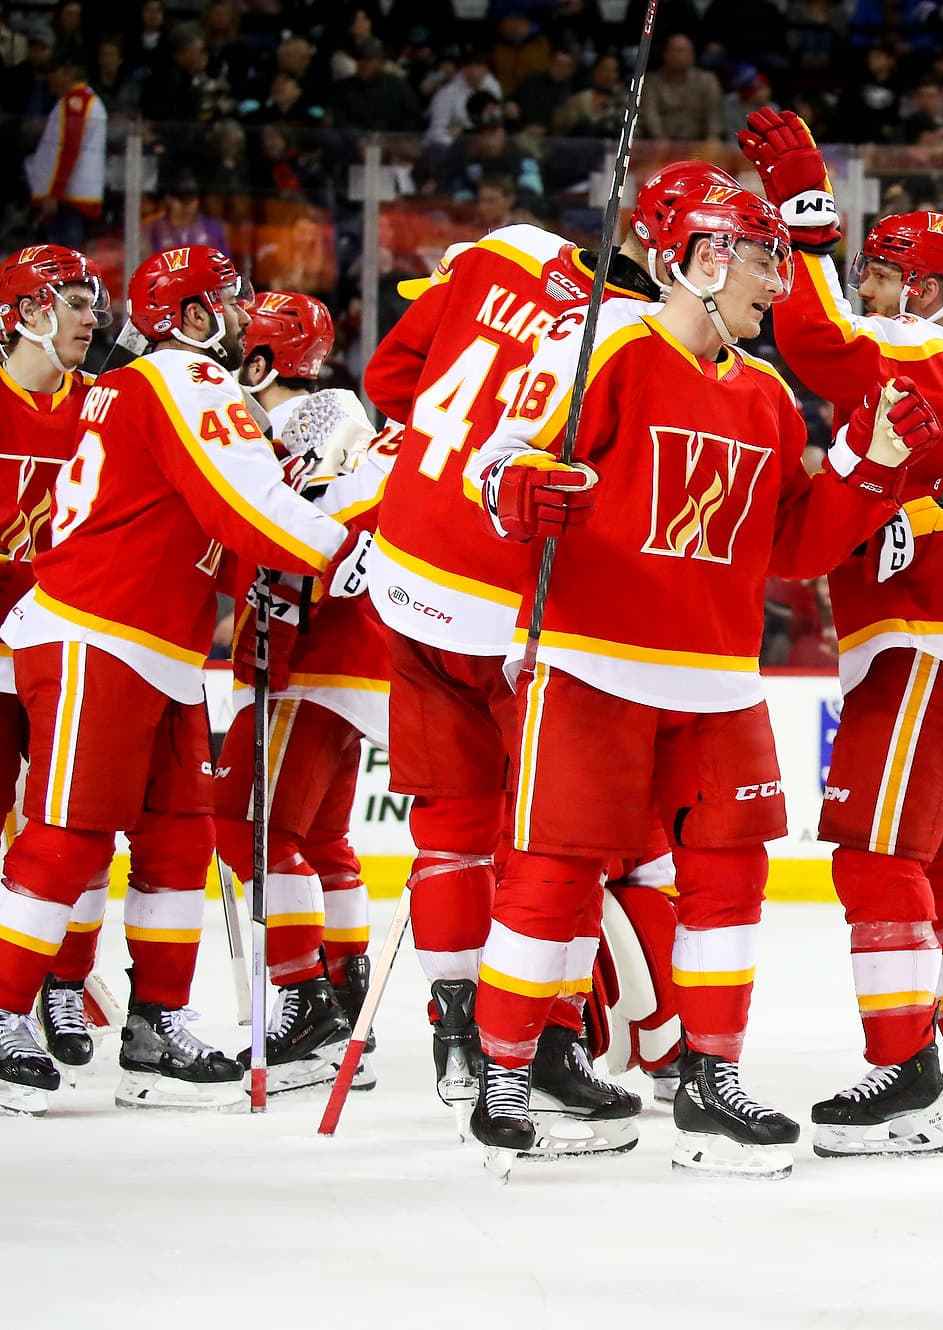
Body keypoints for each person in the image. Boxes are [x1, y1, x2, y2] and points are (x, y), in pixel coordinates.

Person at [459, 176, 920, 1176]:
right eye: (763, 258)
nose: (778, 281)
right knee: (552, 872)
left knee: (730, 877)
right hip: (591, 663)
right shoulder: (598, 348)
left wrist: (869, 469)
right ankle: (506, 1072)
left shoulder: (767, 395)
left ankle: (711, 1077)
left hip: (718, 678)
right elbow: (490, 465)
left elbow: (793, 546)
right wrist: (519, 488)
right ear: (705, 258)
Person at [736, 109, 943, 1156]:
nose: (865, 287)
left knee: (872, 858)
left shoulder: (920, 359)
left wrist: (802, 208)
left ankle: (903, 1073)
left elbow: (813, 338)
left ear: (935, 291)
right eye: (864, 270)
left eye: (886, 273)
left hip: (924, 642)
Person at [0, 246, 347, 1116]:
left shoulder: (163, 384)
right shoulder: (184, 378)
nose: (243, 313)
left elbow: (221, 505)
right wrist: (352, 553)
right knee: (68, 835)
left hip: (160, 646)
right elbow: (247, 507)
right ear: (192, 317)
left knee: (179, 841)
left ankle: (155, 1026)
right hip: (97, 631)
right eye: (230, 300)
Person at [360, 194, 674, 1113]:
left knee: (449, 829)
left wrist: (450, 462)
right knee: (554, 837)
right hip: (514, 610)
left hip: (408, 576)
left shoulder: (504, 251)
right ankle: (548, 1043)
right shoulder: (640, 338)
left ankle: (456, 1036)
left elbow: (391, 377)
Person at [211, 291, 392, 1095]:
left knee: (249, 826)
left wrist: (266, 654)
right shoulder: (337, 422)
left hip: (314, 661)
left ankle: (304, 998)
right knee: (322, 838)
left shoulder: (310, 433)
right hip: (355, 659)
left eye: (230, 359)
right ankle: (345, 1000)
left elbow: (304, 553)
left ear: (260, 364)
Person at [0, 247, 109, 1069]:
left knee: (78, 823)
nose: (91, 317)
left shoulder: (103, 406)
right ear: (28, 311)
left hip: (67, 647)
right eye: (73, 300)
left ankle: (65, 981)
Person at [25, 59, 105, 252]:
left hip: (70, 196)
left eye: (54, 72)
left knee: (66, 257)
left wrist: (55, 192)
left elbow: (69, 148)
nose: (49, 78)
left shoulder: (76, 101)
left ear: (68, 72)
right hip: (72, 194)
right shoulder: (81, 100)